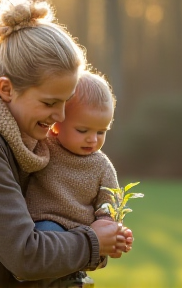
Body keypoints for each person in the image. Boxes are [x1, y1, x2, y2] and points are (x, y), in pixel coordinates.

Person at [0, 0, 133, 287]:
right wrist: (92, 242)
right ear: (6, 88)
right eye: (49, 103)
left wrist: (101, 231)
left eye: (65, 102)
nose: (60, 116)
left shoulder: (18, 137)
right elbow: (26, 255)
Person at [24, 70, 131, 286]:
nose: (92, 139)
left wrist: (112, 230)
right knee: (48, 238)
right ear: (56, 123)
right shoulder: (44, 147)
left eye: (101, 132)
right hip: (44, 226)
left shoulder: (102, 165)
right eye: (82, 130)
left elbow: (108, 203)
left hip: (84, 235)